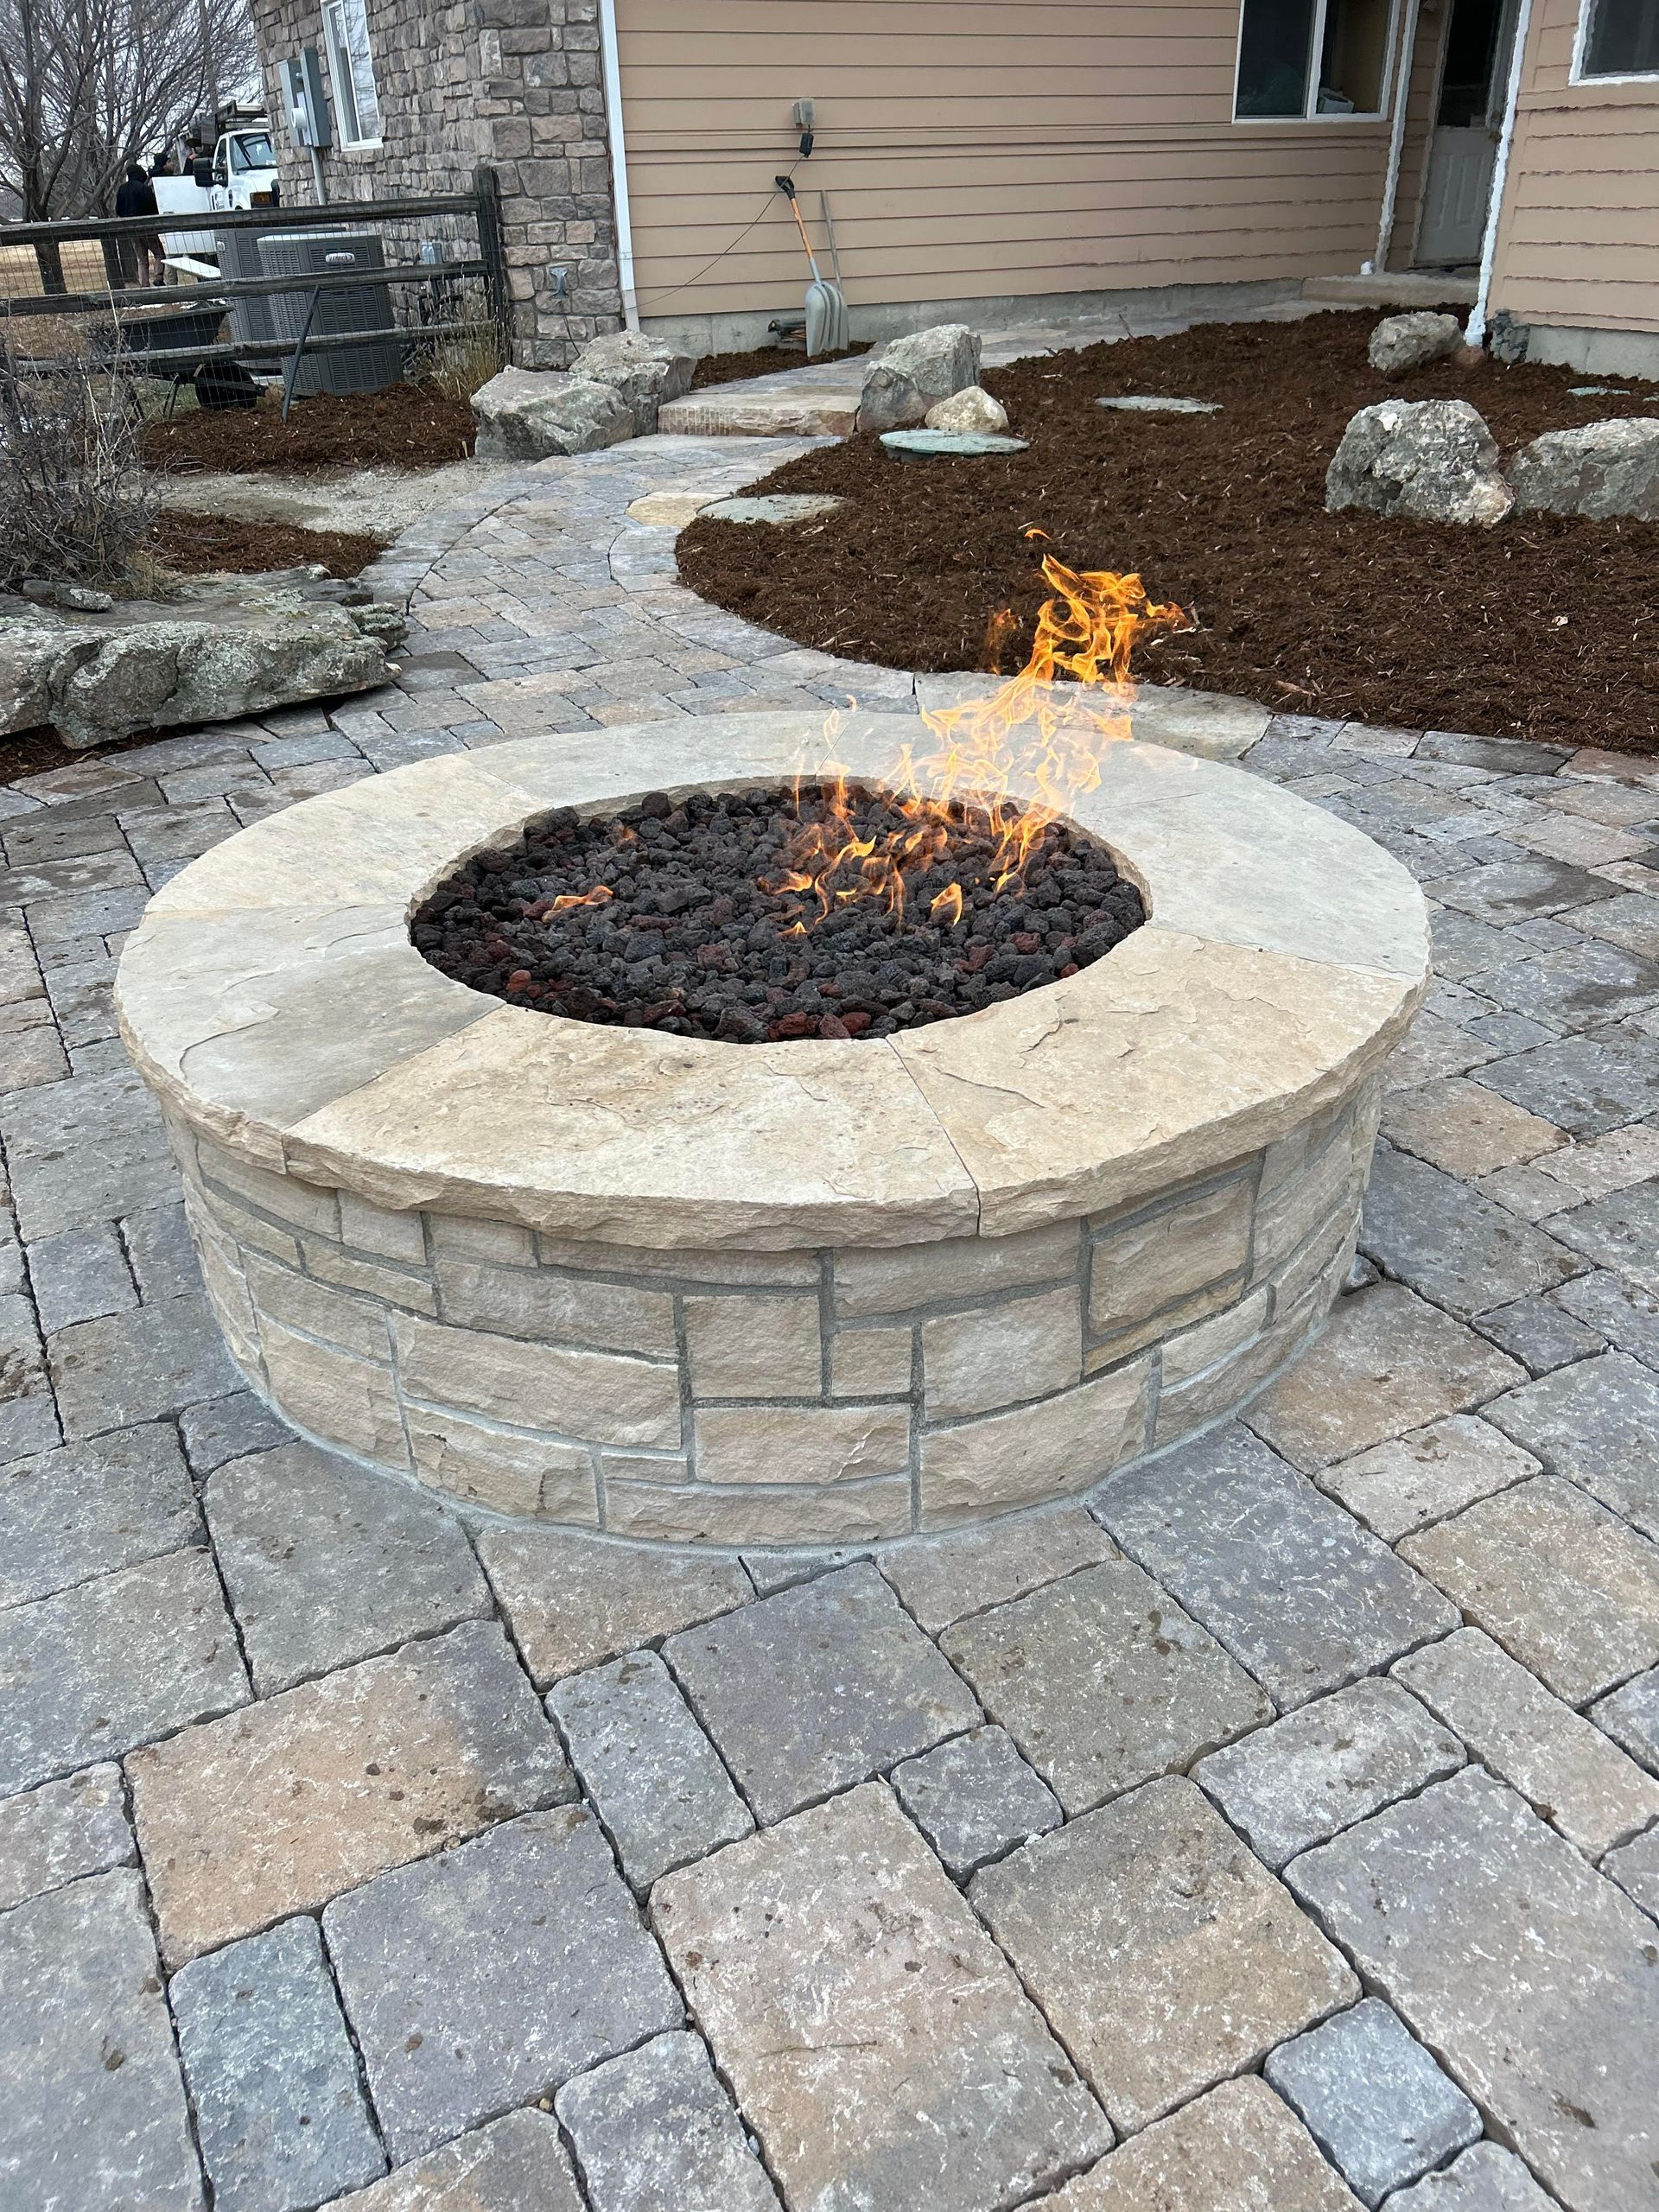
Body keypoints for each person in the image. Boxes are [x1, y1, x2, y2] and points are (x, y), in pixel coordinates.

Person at [115, 162, 164, 286]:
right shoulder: (143, 189)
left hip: (131, 229)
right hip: (147, 227)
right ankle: (158, 278)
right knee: (159, 253)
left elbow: (118, 210)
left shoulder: (122, 189)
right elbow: (153, 207)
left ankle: (144, 283)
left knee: (142, 259)